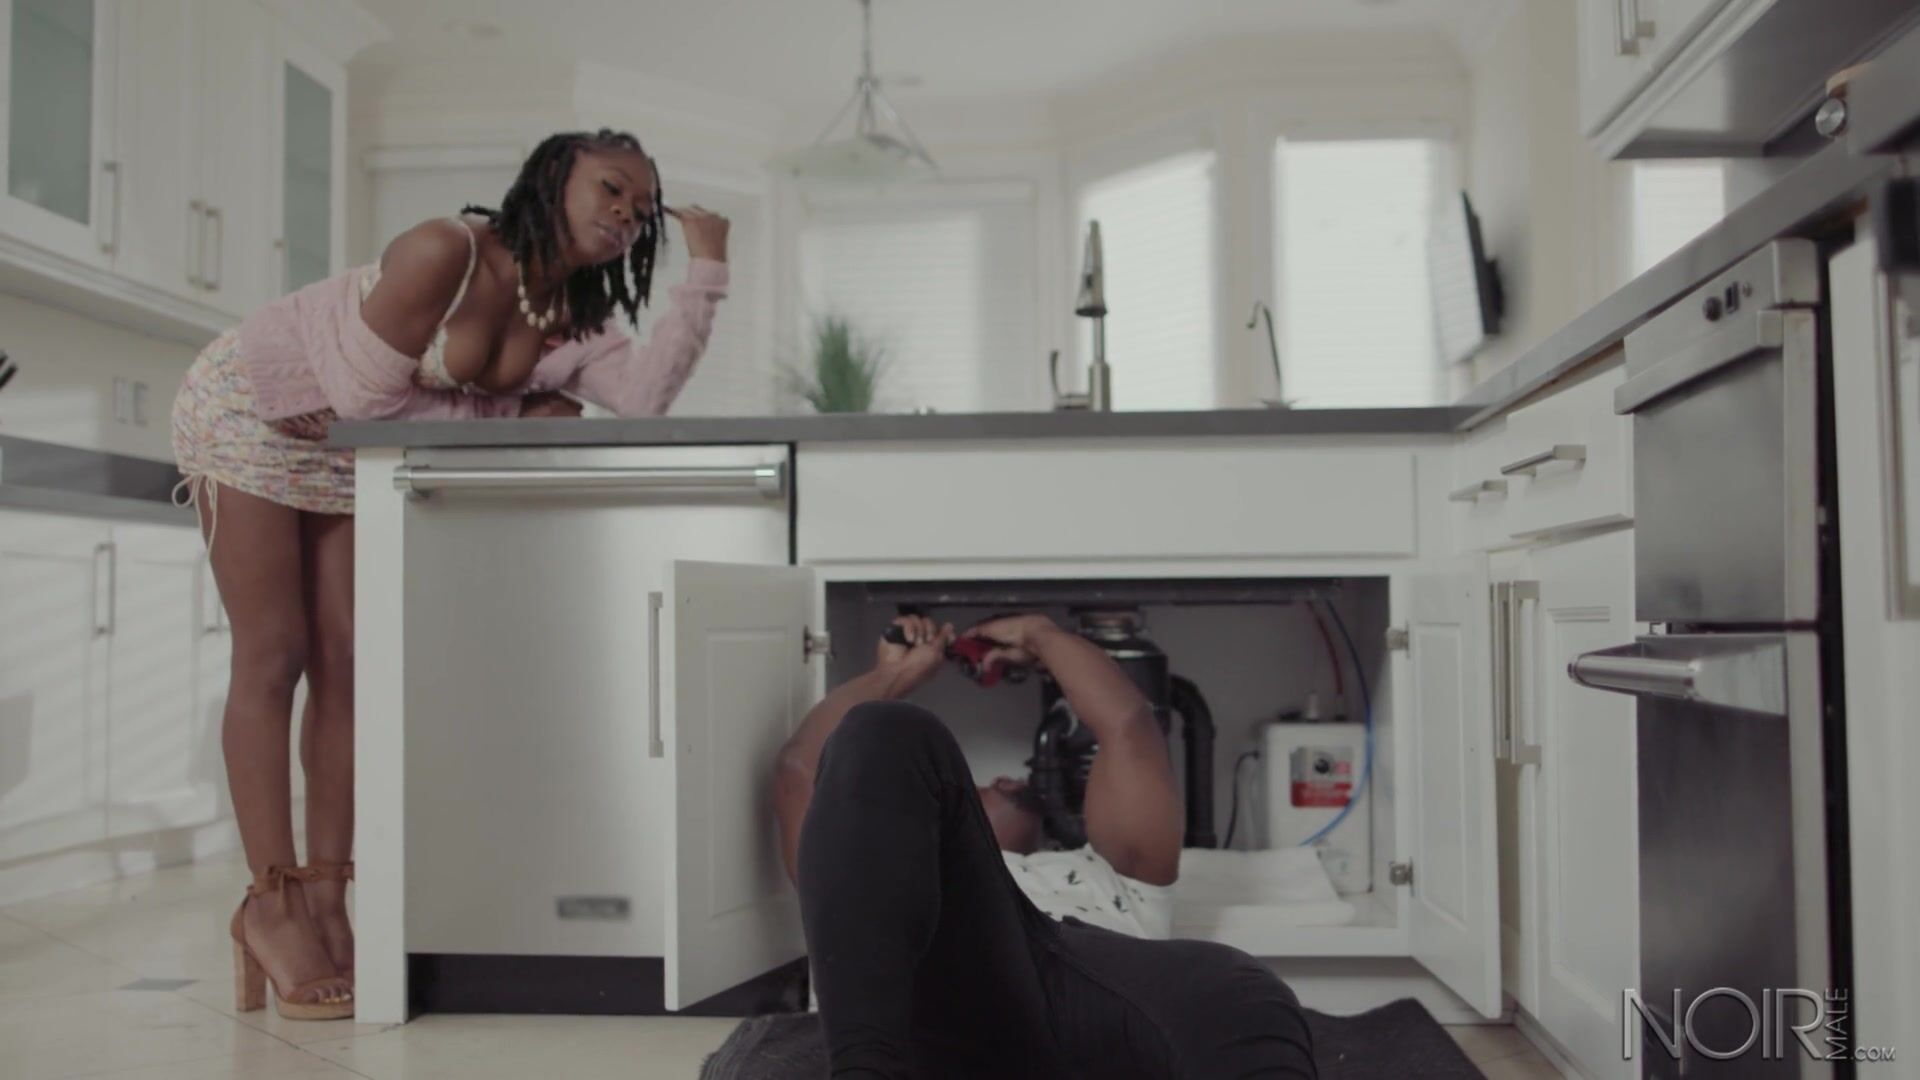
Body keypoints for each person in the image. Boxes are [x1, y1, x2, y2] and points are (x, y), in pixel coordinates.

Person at [169, 128, 731, 1021]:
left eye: (643, 205)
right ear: (555, 178)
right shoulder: (447, 251)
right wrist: (512, 412)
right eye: (610, 187)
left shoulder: (577, 316)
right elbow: (365, 400)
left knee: (349, 663)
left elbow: (645, 400)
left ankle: (327, 900)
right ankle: (268, 907)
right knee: (274, 652)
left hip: (352, 452)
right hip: (258, 411)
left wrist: (707, 267)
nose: (627, 212)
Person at [772, 613, 1318, 1078]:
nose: (1006, 779)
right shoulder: (869, 877)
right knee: (881, 729)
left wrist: (1042, 635)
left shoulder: (1110, 871)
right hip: (933, 1013)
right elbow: (805, 766)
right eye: (974, 789)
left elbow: (1127, 724)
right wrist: (893, 676)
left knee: (1238, 984)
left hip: (1087, 1007)